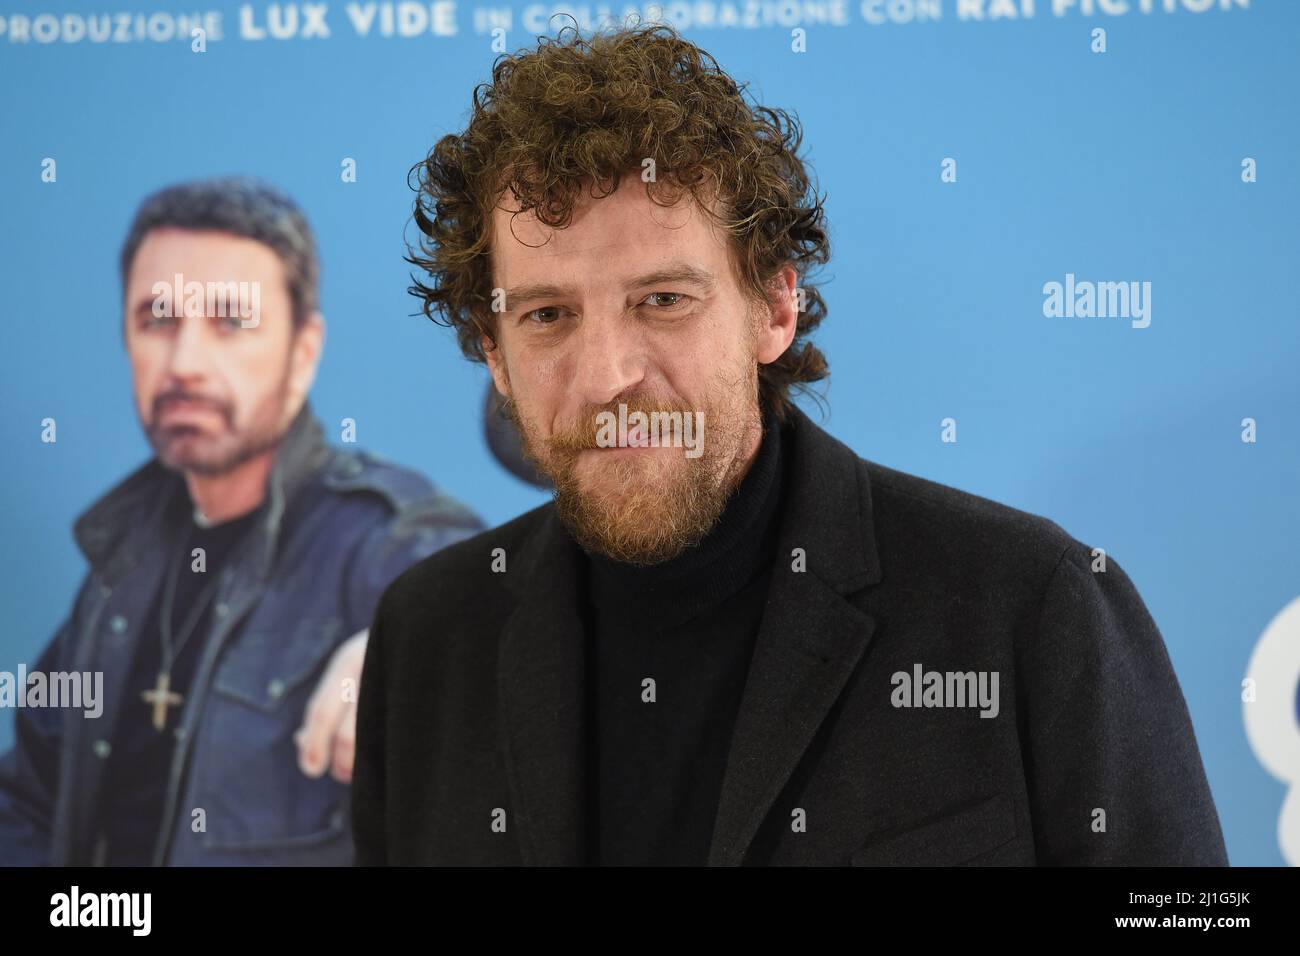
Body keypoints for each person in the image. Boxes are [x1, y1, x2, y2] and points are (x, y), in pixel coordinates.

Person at [352, 23, 1228, 866]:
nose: (608, 374)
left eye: (663, 299)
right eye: (548, 315)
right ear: (494, 354)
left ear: (775, 308)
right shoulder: (428, 638)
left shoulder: (1026, 603)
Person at [0, 176, 483, 865]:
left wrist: (410, 639)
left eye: (231, 322)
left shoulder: (376, 536)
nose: (185, 363)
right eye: (157, 321)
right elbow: (27, 798)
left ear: (303, 352)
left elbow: (493, 604)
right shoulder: (122, 561)